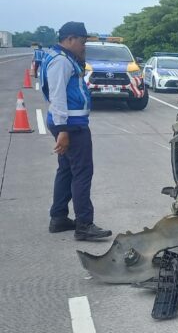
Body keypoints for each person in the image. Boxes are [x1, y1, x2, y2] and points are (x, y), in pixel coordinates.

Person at [41, 21, 112, 240]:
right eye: (82, 42)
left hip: (68, 124)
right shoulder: (61, 62)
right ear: (70, 39)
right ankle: (84, 225)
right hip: (71, 126)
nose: (84, 47)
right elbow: (57, 95)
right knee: (82, 172)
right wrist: (63, 130)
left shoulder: (62, 58)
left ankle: (59, 217)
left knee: (66, 170)